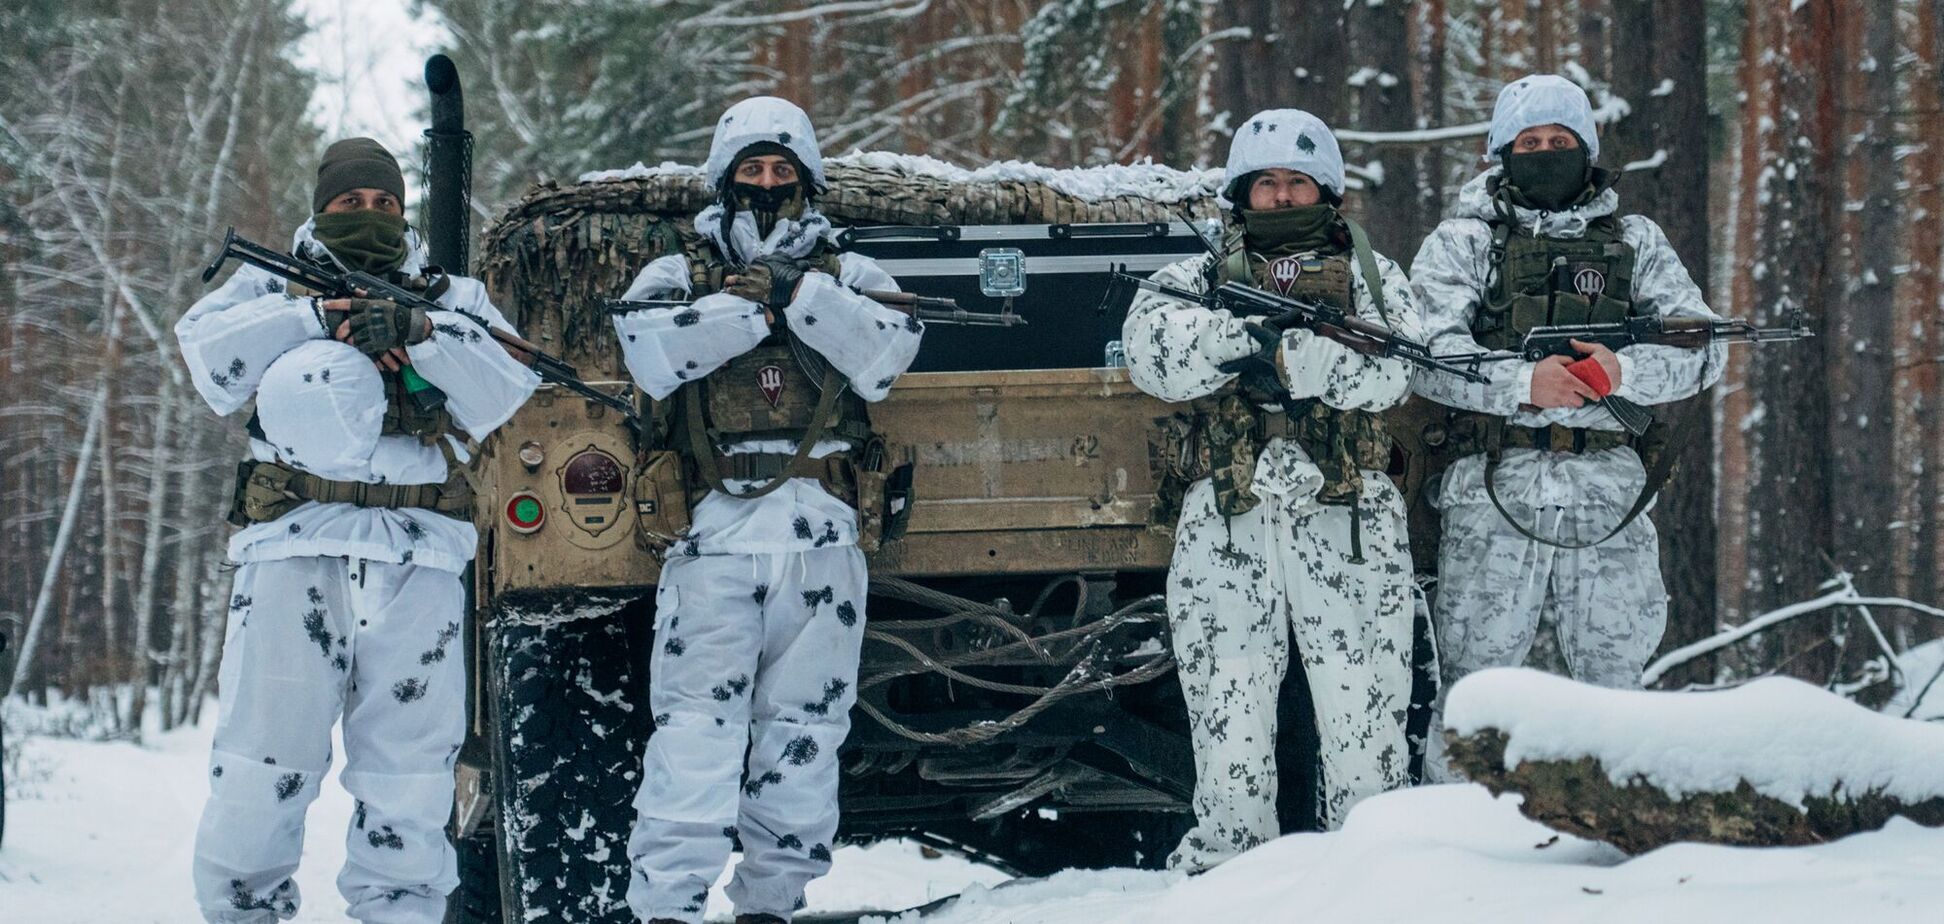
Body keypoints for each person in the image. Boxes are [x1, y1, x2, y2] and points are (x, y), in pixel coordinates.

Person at [177, 138, 539, 922]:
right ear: (321, 207)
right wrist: (314, 317)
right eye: (350, 203)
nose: (369, 215)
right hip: (294, 552)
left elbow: (508, 391)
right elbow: (210, 364)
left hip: (418, 560)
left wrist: (423, 331)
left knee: (409, 780)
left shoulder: (453, 296)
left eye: (384, 204)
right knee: (259, 769)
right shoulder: (269, 282)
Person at [609, 97, 923, 924]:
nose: (767, 183)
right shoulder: (678, 268)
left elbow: (889, 355)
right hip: (714, 538)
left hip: (821, 538)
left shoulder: (846, 270)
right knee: (694, 735)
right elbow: (649, 351)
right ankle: (669, 906)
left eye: (783, 170)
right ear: (726, 177)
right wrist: (755, 308)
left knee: (806, 734)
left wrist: (801, 297)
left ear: (807, 181)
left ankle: (771, 905)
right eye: (752, 169)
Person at [1122, 108, 1421, 871]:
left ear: (1325, 188)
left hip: (1345, 508)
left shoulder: (1371, 272)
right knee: (1227, 698)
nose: (1281, 197)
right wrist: (1238, 344)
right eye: (1266, 184)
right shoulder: (1198, 271)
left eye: (1296, 182)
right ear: (1242, 193)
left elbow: (1404, 364)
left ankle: (1378, 865)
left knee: (1365, 700)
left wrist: (1324, 364)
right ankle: (1232, 866)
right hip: (1231, 507)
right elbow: (1148, 349)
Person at [1409, 75, 1725, 780]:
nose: (1545, 153)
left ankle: (1613, 850)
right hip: (1494, 490)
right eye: (1529, 142)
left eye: (1560, 142)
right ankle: (1448, 850)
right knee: (1473, 691)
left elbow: (1704, 348)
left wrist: (1623, 372)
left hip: (1609, 495)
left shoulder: (1636, 241)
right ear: (1501, 153)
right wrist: (1523, 384)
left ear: (1587, 150)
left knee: (1615, 689)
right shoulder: (1463, 242)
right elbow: (1424, 357)